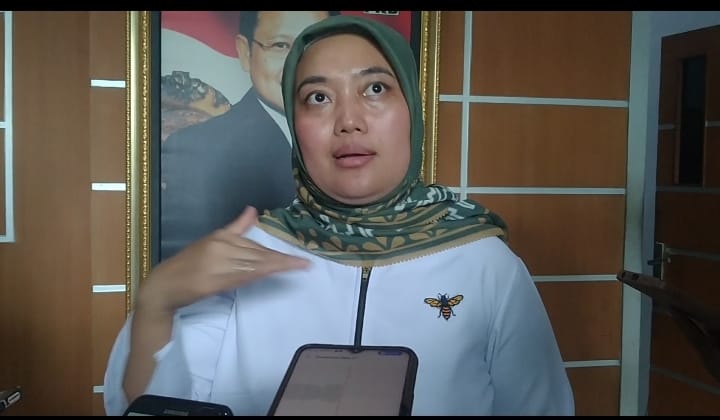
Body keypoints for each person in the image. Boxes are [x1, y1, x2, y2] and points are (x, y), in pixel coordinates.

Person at [104, 15, 575, 416]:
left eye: (375, 88)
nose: (349, 120)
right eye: (318, 97)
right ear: (295, 124)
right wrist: (157, 303)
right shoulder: (247, 258)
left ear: (411, 109)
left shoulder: (485, 265)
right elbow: (153, 407)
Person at [160, 11, 339, 261]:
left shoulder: (360, 137)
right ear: (245, 52)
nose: (298, 63)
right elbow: (189, 269)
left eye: (312, 44)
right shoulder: (199, 148)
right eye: (280, 45)